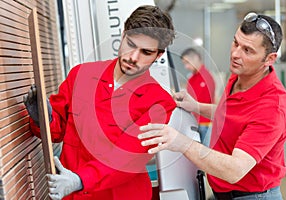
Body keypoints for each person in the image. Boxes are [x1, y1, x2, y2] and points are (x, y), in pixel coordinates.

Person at [23, 5, 176, 200]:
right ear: (123, 36)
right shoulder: (81, 75)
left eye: (146, 52)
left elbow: (126, 157)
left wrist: (79, 180)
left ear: (158, 55)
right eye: (130, 44)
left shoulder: (159, 103)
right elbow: (57, 130)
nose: (133, 57)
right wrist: (42, 119)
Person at [138, 12, 286, 200]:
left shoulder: (273, 107)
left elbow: (235, 169)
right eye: (236, 43)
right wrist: (196, 106)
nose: (235, 54)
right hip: (223, 193)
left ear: (269, 59)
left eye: (248, 50)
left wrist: (181, 143)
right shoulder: (240, 75)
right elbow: (231, 114)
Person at [180, 48, 215, 146]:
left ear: (195, 58)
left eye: (187, 62)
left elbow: (203, 100)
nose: (186, 66)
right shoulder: (192, 79)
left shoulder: (206, 77)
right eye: (184, 63)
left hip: (206, 124)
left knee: (205, 154)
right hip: (195, 121)